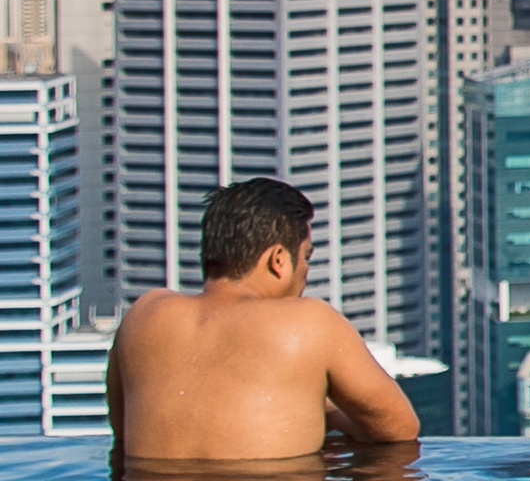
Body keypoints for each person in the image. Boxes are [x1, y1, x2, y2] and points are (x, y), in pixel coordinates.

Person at [109, 176, 421, 465]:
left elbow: (123, 437)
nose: (305, 271)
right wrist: (329, 414)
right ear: (279, 260)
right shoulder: (310, 323)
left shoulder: (144, 314)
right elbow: (399, 429)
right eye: (306, 257)